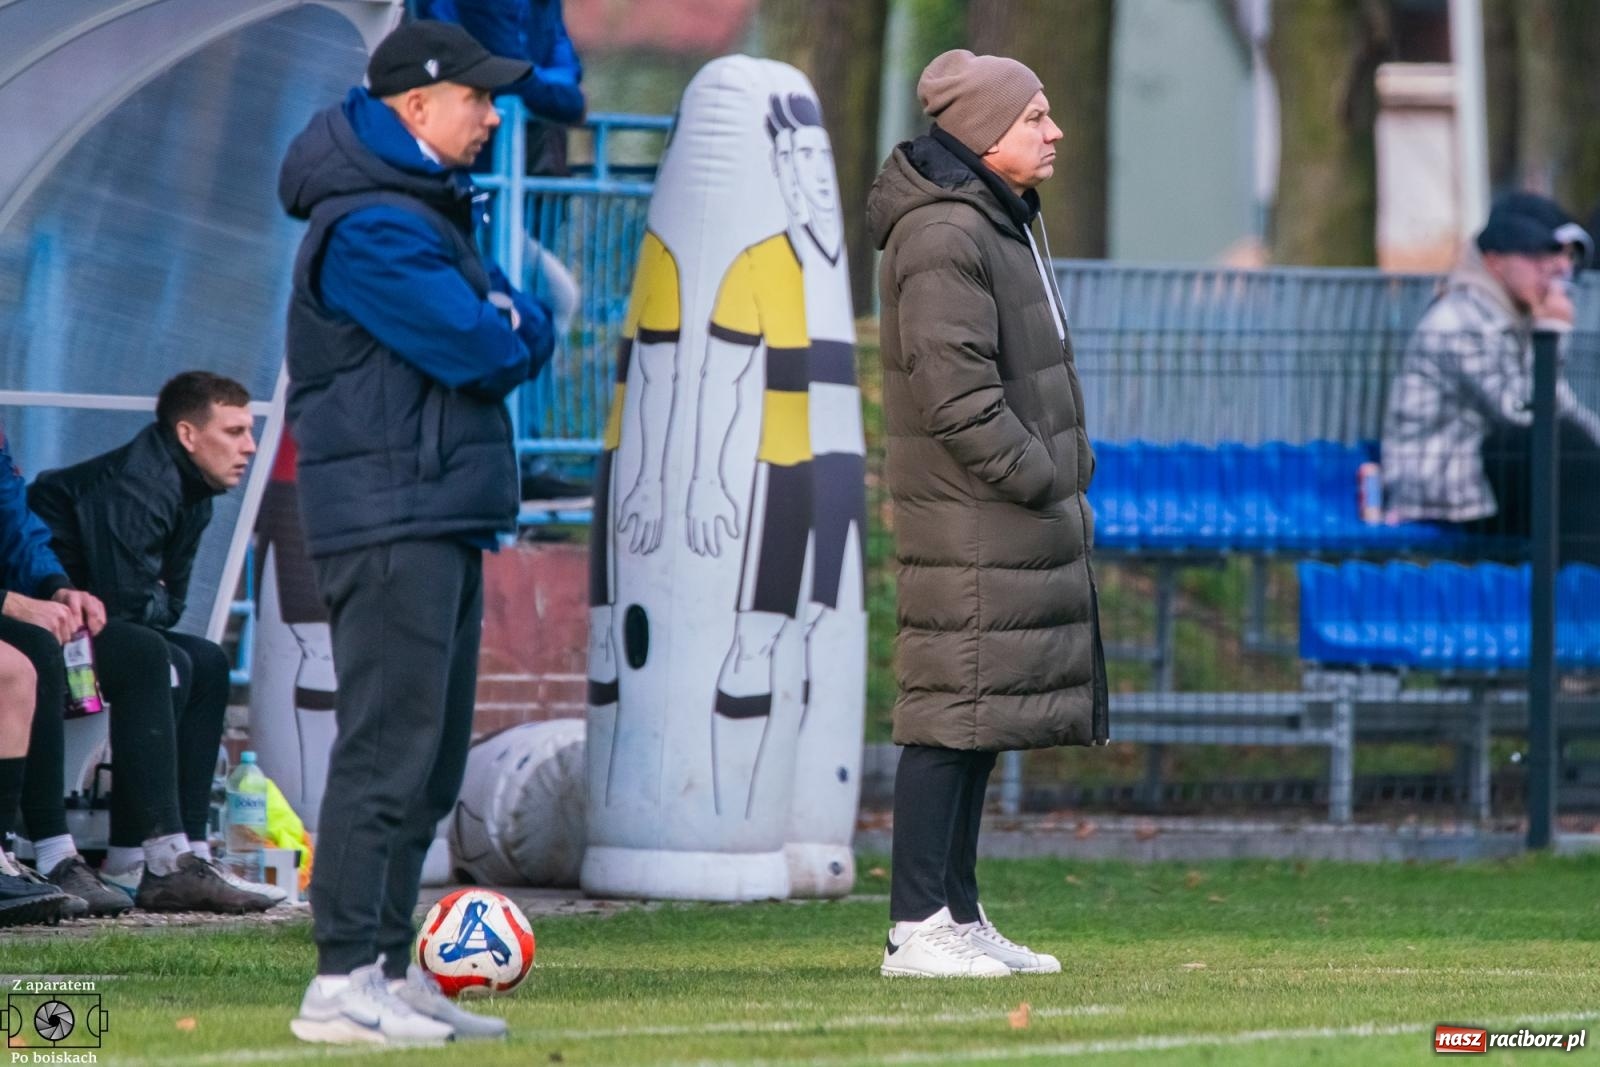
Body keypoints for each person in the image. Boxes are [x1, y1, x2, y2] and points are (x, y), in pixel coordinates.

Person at [277, 20, 553, 1045]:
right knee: (387, 752)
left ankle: (387, 968)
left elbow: (520, 316)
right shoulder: (373, 228)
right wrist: (503, 317)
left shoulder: (420, 210)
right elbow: (487, 339)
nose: (492, 115)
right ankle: (340, 977)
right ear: (415, 107)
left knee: (429, 762)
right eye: (477, 98)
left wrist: (504, 316)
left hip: (434, 508)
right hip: (392, 514)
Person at [865, 49, 1109, 979]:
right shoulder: (944, 234)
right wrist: (1041, 473)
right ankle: (915, 925)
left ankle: (957, 911)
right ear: (981, 135)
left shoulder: (996, 221)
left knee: (980, 712)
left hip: (1002, 514)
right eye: (1035, 117)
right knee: (948, 712)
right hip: (974, 513)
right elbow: (956, 394)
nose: (1055, 132)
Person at [28, 373, 279, 914]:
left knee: (207, 660)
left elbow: (166, 604)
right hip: (43, 630)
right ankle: (156, 857)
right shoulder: (139, 485)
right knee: (151, 652)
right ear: (188, 434)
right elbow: (131, 607)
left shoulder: (194, 491)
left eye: (250, 431)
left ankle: (185, 850)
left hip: (95, 626)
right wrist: (152, 598)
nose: (250, 446)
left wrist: (152, 598)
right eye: (234, 431)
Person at [1382, 192, 1600, 564]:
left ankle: (1575, 591)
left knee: (1574, 447)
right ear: (1493, 261)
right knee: (1563, 445)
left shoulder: (1513, 314)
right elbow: (1520, 410)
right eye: (1537, 257)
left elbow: (1561, 405)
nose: (1556, 269)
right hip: (1442, 487)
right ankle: (1574, 595)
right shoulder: (1460, 319)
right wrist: (1551, 337)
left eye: (1563, 257)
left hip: (1486, 479)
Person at [418, 0, 586, 176]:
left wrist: (560, 94)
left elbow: (567, 67)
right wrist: (564, 97)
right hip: (467, 155)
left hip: (518, 151)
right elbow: (507, 74)